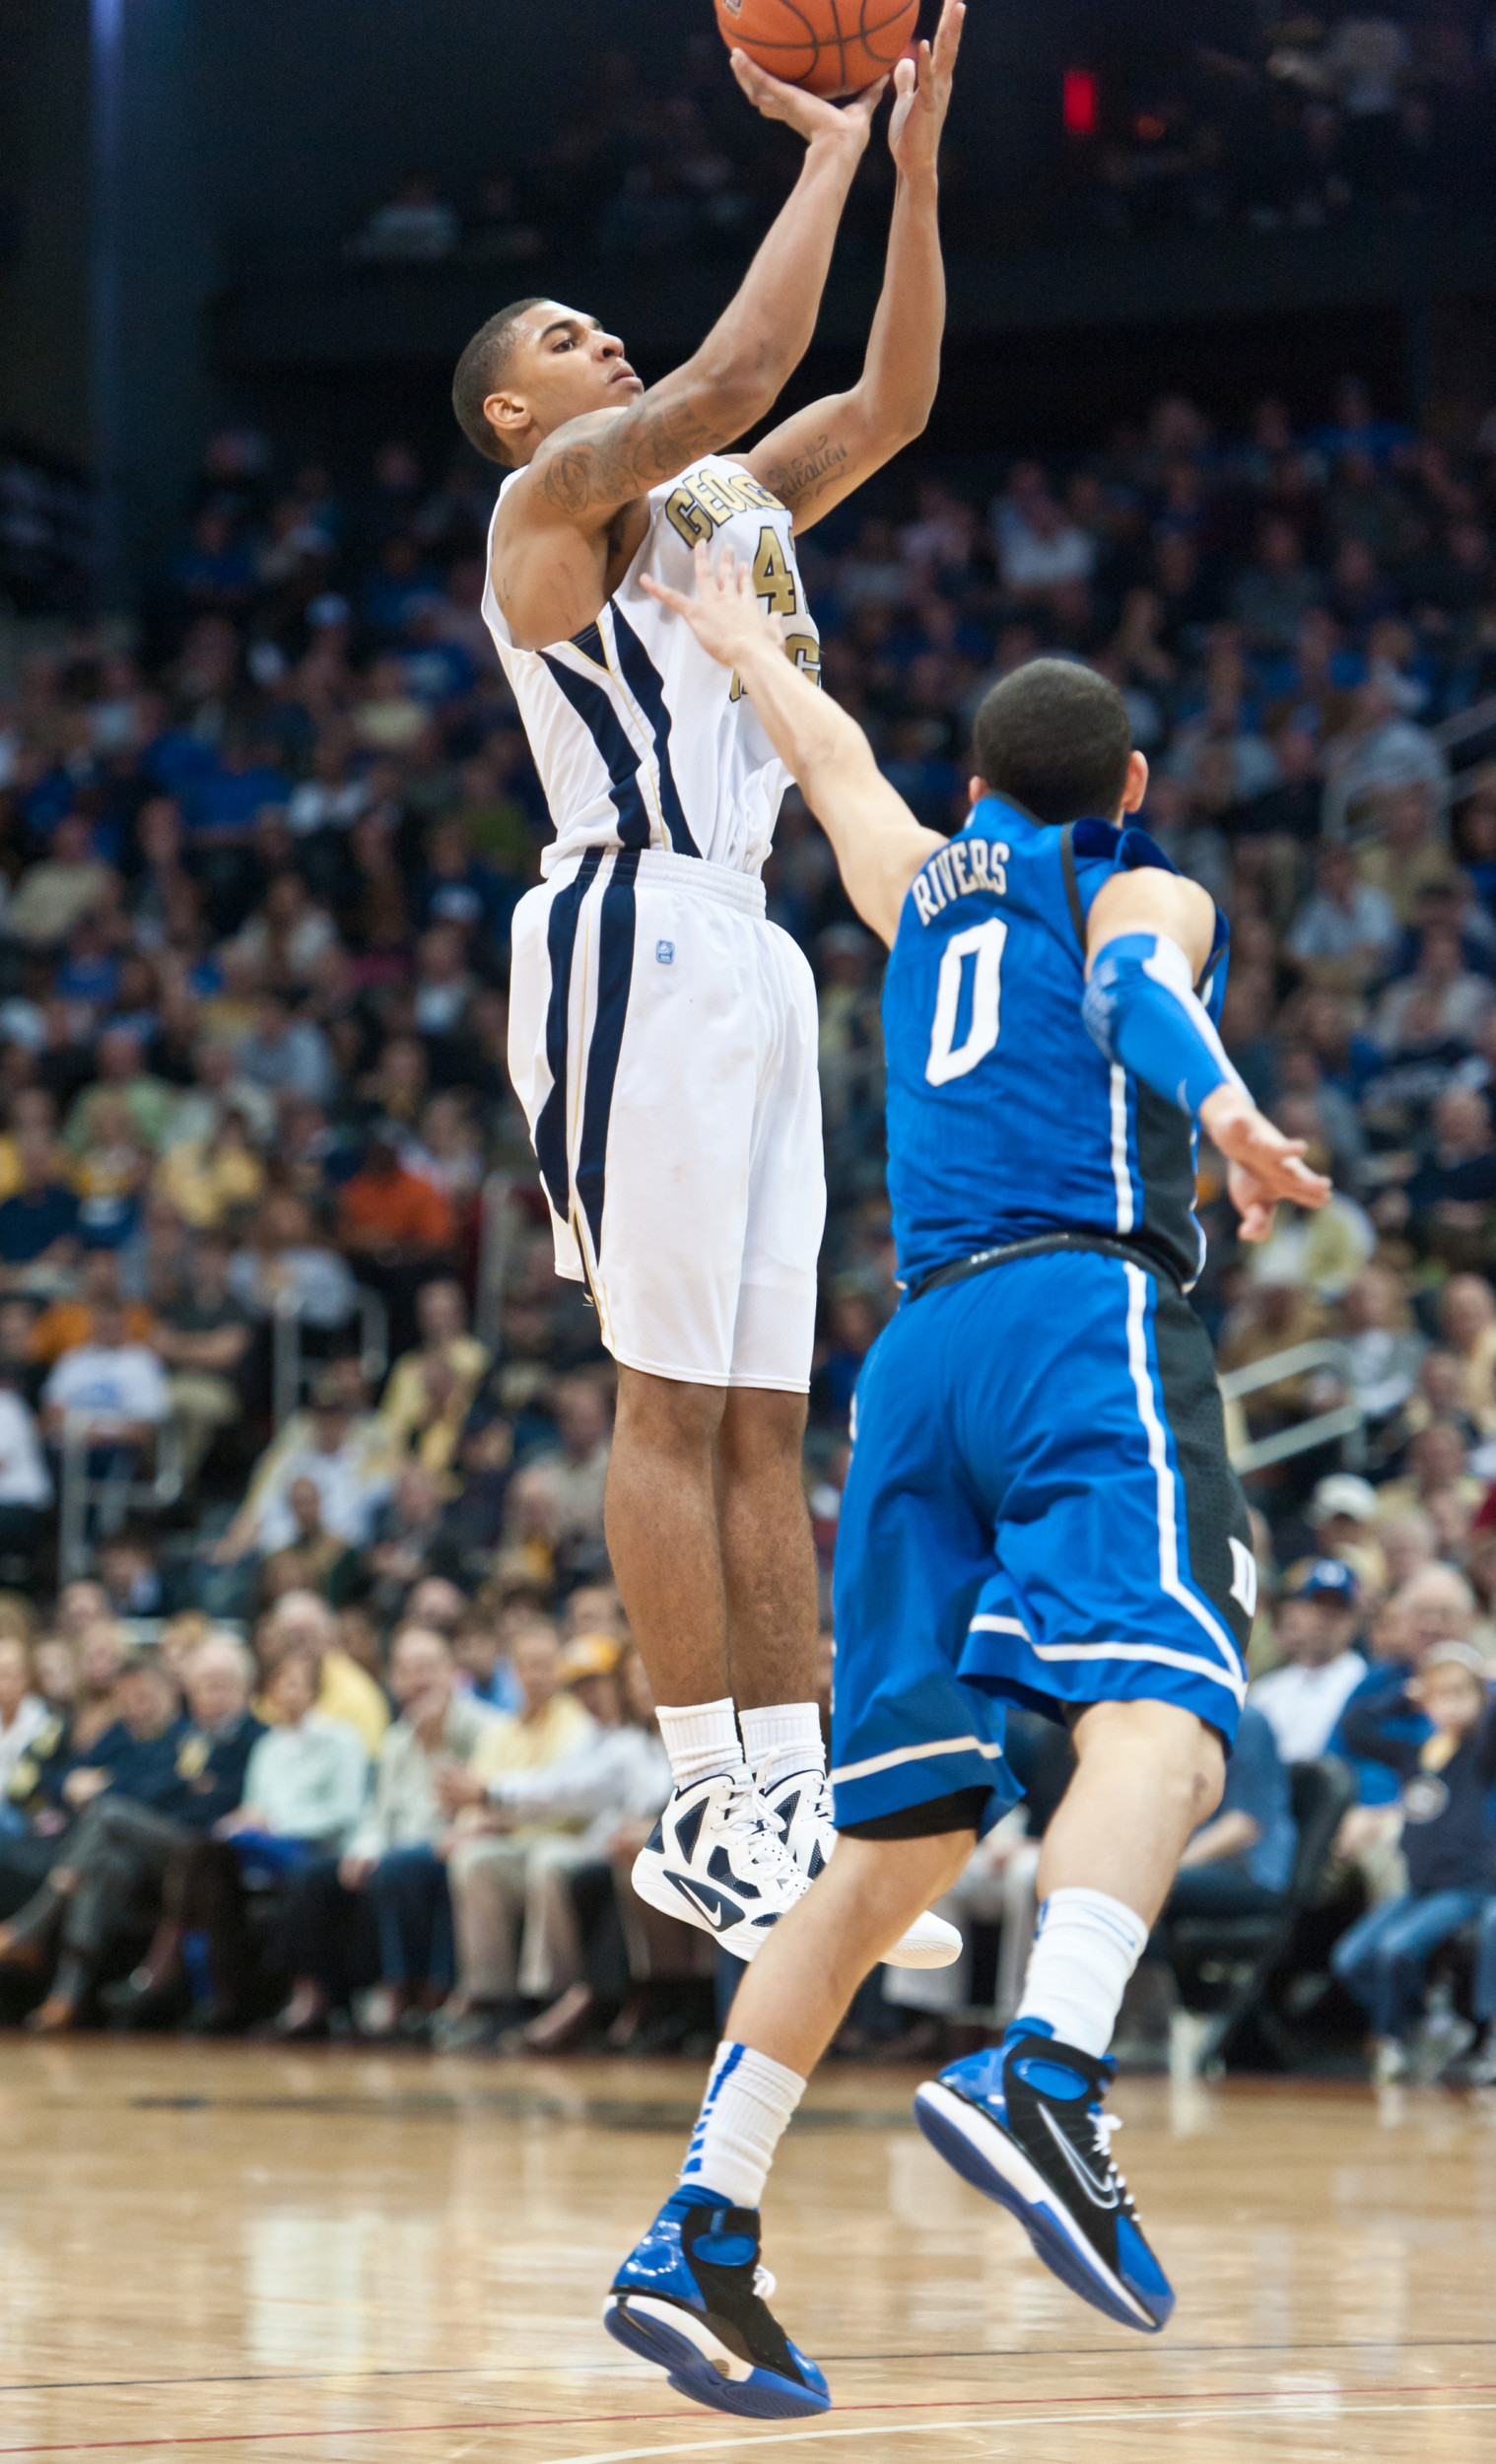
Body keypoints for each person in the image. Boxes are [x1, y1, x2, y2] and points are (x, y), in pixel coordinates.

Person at [600, 553, 1331, 2415]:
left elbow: (823, 750)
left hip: (913, 1369)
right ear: (1130, 785)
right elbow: (1134, 981)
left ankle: (701, 2228)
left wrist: (737, 634)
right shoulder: (1136, 879)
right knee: (1167, 1717)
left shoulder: (912, 878)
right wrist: (1227, 1109)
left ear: (980, 782)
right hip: (1080, 1319)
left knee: (892, 1846)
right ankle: (1049, 2069)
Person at [451, 8, 968, 1972]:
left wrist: (911, 169)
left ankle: (788, 1800)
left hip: (751, 939)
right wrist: (823, 149)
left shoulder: (730, 501)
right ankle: (696, 1797)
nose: (597, 338)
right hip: (625, 928)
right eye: (560, 335)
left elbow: (890, 398)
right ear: (514, 414)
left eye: (597, 323)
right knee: (667, 1398)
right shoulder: (550, 508)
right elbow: (742, 368)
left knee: (767, 1415)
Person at [1331, 1644, 1496, 2084]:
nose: (1451, 1704)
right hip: (1420, 1888)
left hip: (1467, 1887)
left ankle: (1397, 2038)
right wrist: (1406, 1695)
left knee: (1397, 1949)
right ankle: (1425, 2023)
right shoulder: (1415, 1753)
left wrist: (1489, 1685)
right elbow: (1355, 1726)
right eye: (1440, 1694)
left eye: (1461, 1693)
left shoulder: (1481, 1753)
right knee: (1350, 1959)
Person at [1250, 1560, 1369, 1764]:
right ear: (1298, 1611)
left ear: (1354, 1620)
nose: (1326, 1617)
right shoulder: (1268, 1690)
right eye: (1318, 1605)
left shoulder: (1366, 1685)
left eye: (1338, 1608)